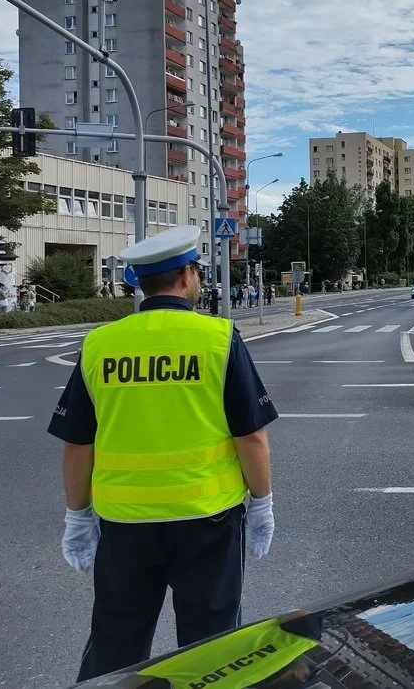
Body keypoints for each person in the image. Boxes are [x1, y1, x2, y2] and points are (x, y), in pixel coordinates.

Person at [48, 225, 278, 682]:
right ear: (187, 277)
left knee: (117, 640)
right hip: (207, 518)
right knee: (212, 644)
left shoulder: (101, 344)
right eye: (196, 272)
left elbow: (78, 442)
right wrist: (262, 504)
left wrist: (77, 516)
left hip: (125, 522)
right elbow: (249, 436)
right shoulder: (218, 338)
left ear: (139, 283)